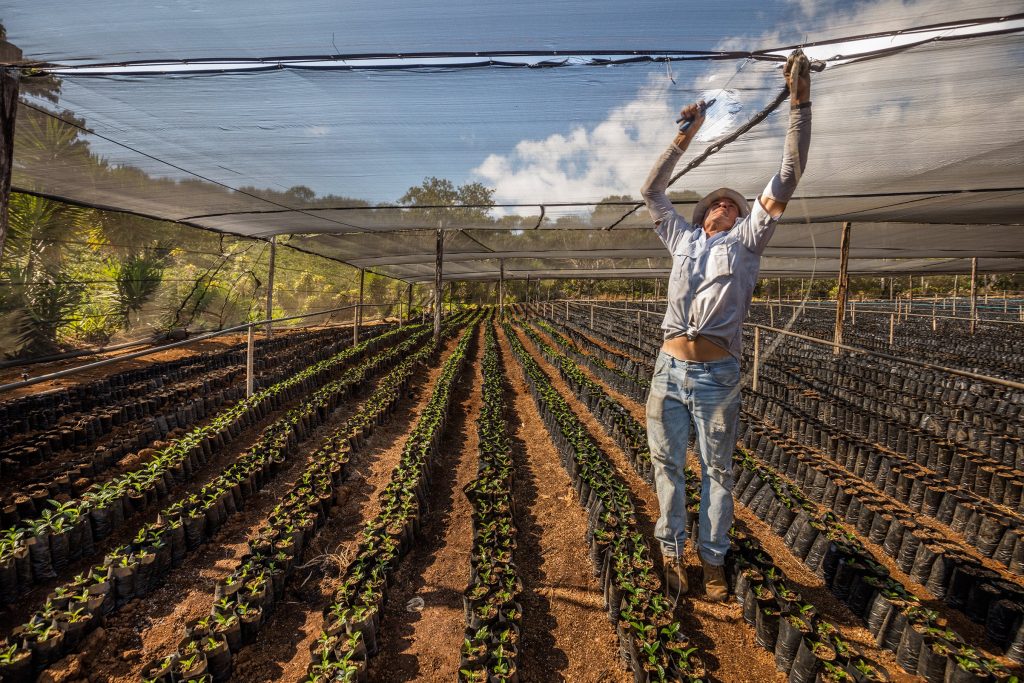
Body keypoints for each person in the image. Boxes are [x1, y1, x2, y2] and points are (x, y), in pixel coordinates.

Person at [640, 50, 813, 602]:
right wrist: (685, 135)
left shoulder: (746, 243)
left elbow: (788, 174)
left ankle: (712, 559)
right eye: (715, 203)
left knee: (717, 471)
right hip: (668, 369)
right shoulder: (682, 240)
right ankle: (671, 551)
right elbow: (649, 192)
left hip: (717, 374)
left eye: (731, 206)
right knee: (668, 465)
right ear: (703, 213)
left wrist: (800, 104)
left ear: (740, 218)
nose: (722, 206)